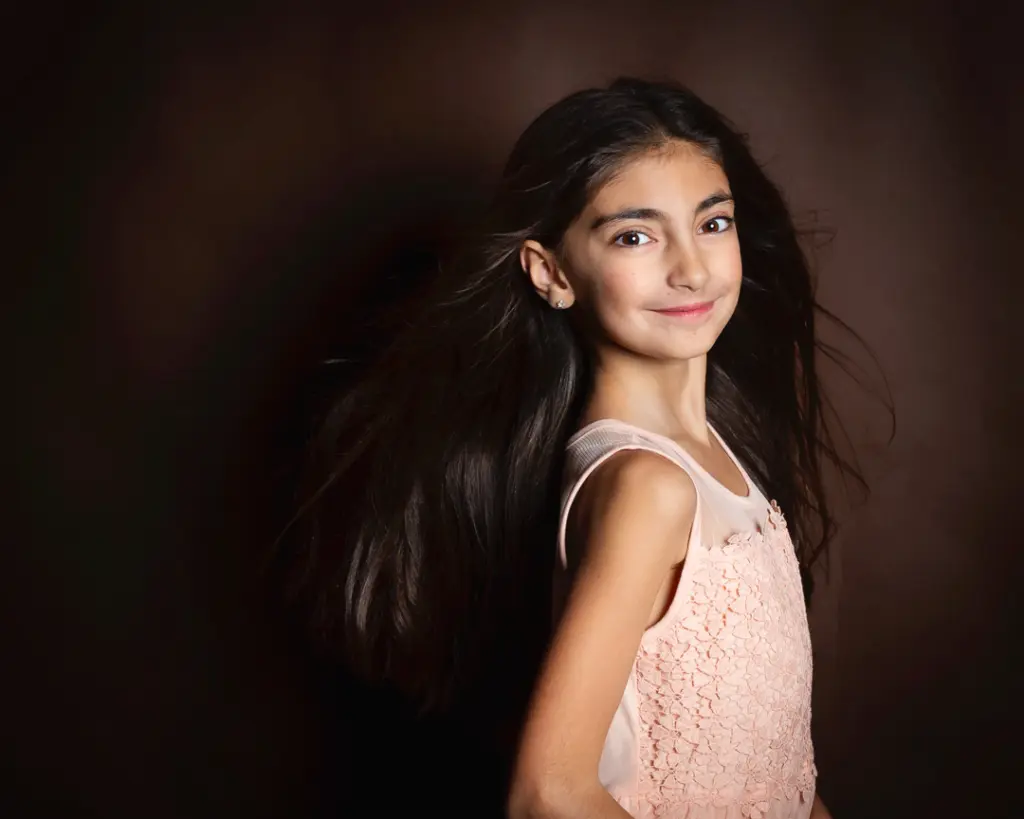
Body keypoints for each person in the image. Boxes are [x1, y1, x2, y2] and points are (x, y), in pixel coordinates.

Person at [280, 77, 867, 818]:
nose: (690, 266)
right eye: (635, 235)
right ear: (551, 273)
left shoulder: (720, 456)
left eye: (712, 223)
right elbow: (546, 794)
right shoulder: (647, 488)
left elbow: (778, 769)